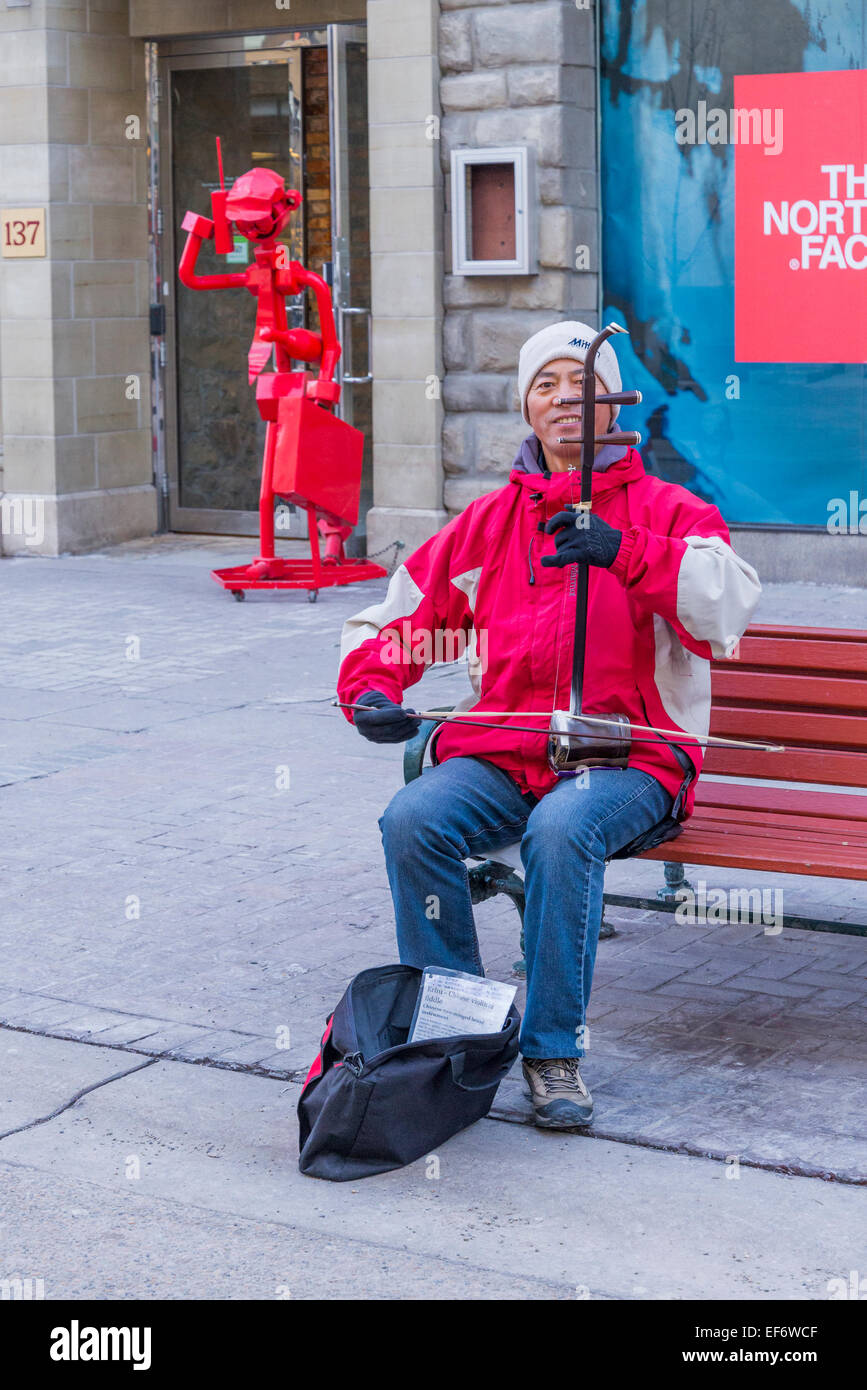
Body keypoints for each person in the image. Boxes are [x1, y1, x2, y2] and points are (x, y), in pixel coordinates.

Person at [337, 320, 761, 1129]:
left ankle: (552, 1052)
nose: (567, 396)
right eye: (546, 384)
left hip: (631, 759)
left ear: (614, 403)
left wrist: (622, 550)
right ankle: (459, 1032)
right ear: (526, 411)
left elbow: (726, 606)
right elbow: (407, 616)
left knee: (563, 829)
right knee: (413, 816)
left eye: (584, 381)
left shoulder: (672, 510)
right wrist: (369, 688)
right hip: (506, 751)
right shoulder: (490, 521)